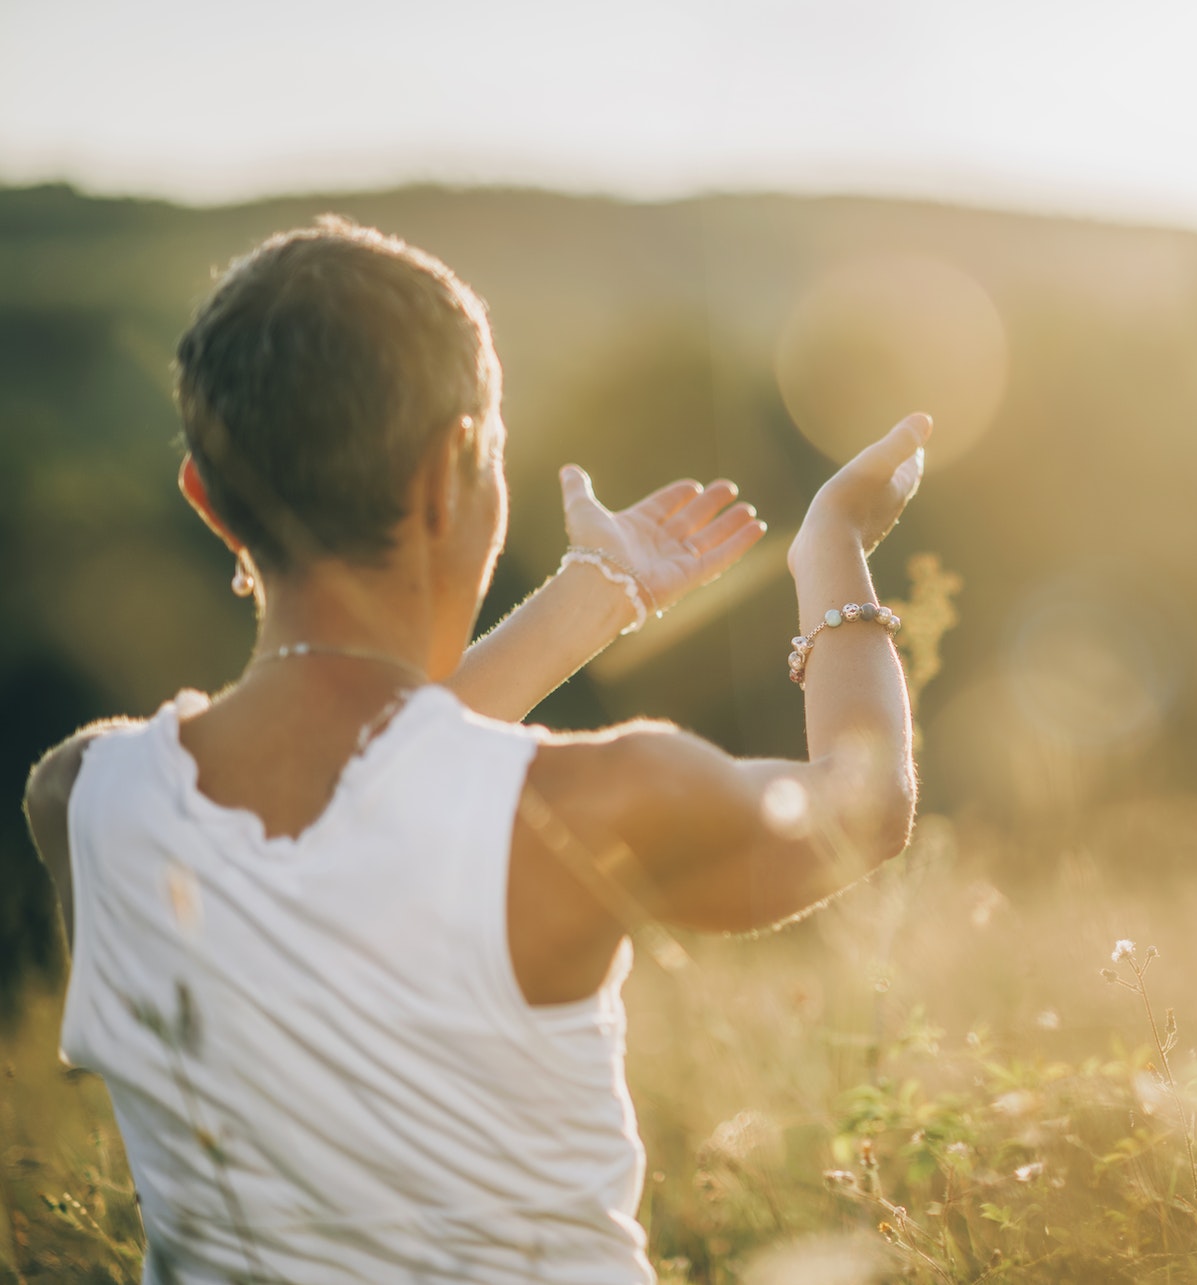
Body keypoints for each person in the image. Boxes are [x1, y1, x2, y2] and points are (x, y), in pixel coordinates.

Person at [21, 216, 931, 1283]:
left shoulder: (83, 796)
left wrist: (595, 598)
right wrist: (832, 548)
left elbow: (369, 784)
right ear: (457, 468)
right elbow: (863, 806)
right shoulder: (588, 805)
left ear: (207, 500)